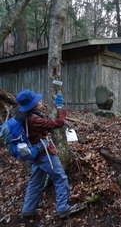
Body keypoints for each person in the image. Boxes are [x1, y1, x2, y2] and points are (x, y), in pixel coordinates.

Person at [15, 90, 83, 219]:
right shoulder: (34, 119)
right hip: (44, 153)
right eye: (38, 101)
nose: (40, 102)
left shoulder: (24, 116)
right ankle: (63, 208)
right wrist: (62, 113)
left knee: (35, 182)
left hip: (34, 153)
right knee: (60, 177)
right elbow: (54, 124)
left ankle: (28, 210)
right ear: (32, 105)